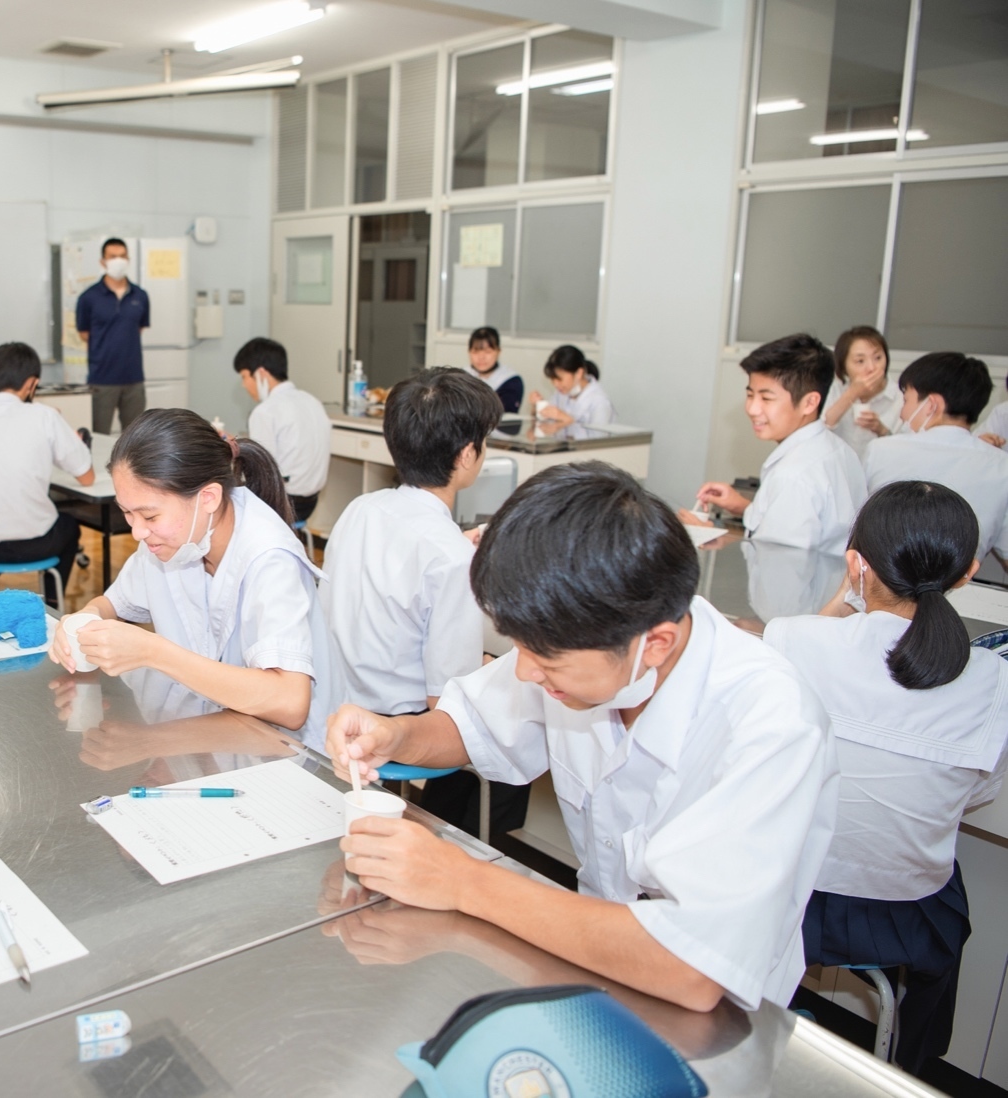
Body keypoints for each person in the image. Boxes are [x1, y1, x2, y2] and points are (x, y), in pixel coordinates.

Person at [329, 462, 837, 1014]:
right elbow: (471, 725)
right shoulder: (579, 649)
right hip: (588, 959)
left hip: (717, 1021)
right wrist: (396, 734)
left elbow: (692, 966)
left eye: (544, 659)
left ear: (656, 643)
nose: (523, 673)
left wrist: (462, 882)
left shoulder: (772, 723)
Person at [766, 481, 1008, 1073]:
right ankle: (915, 1068)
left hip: (784, 899)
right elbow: (979, 794)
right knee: (951, 901)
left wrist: (841, 599)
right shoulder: (993, 679)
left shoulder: (792, 639)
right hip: (905, 920)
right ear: (967, 573)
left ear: (856, 564)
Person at [320, 369, 510, 838]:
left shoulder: (360, 509)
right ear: (468, 454)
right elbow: (445, 698)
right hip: (396, 723)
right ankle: (453, 841)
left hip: (338, 700)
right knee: (516, 716)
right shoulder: (449, 556)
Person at [68, 408, 323, 737]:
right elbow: (113, 603)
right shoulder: (177, 536)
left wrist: (153, 652)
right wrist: (85, 618)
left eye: (149, 516)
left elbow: (290, 702)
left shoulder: (270, 558)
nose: (137, 533)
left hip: (281, 753)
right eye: (127, 513)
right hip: (203, 734)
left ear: (208, 498)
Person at [690, 334, 868, 627]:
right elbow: (808, 534)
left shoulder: (795, 474)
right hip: (824, 615)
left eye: (766, 397)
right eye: (750, 394)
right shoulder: (837, 450)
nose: (752, 408)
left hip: (790, 621)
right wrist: (744, 508)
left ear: (810, 402)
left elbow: (780, 572)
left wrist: (708, 535)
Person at [0, 342, 95, 598]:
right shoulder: (46, 417)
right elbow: (87, 476)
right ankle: (51, 601)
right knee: (69, 526)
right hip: (35, 544)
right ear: (32, 384)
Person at [863, 352, 1008, 571]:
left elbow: (853, 533)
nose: (902, 413)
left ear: (932, 405)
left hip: (882, 591)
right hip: (958, 594)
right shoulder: (1001, 466)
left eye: (906, 400)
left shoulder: (882, 450)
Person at [234, 337, 329, 523]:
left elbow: (261, 471)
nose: (244, 385)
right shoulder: (311, 401)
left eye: (244, 377)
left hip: (283, 505)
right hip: (310, 502)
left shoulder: (265, 411)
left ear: (261, 373)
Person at [74, 238, 151, 436]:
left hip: (134, 379)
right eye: (113, 257)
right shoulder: (88, 298)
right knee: (99, 436)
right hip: (102, 379)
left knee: (135, 439)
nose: (118, 261)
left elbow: (138, 328)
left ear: (129, 259)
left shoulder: (140, 295)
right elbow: (84, 334)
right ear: (103, 261)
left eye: (122, 256)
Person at [822, 325, 898, 451]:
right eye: (860, 361)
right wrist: (852, 393)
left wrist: (881, 430)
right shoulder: (835, 389)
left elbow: (907, 449)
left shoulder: (900, 397)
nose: (872, 368)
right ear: (844, 366)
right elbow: (820, 430)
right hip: (839, 468)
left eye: (878, 358)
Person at [532, 345, 611, 430]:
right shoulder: (561, 392)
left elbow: (598, 440)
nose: (555, 384)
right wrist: (537, 407)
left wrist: (567, 419)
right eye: (553, 379)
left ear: (579, 373)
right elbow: (547, 422)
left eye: (559, 379)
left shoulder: (599, 402)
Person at [463, 326, 523, 414]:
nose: (481, 357)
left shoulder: (511, 380)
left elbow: (506, 412)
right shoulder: (460, 377)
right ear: (469, 352)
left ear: (498, 351)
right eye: (476, 352)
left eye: (488, 352)